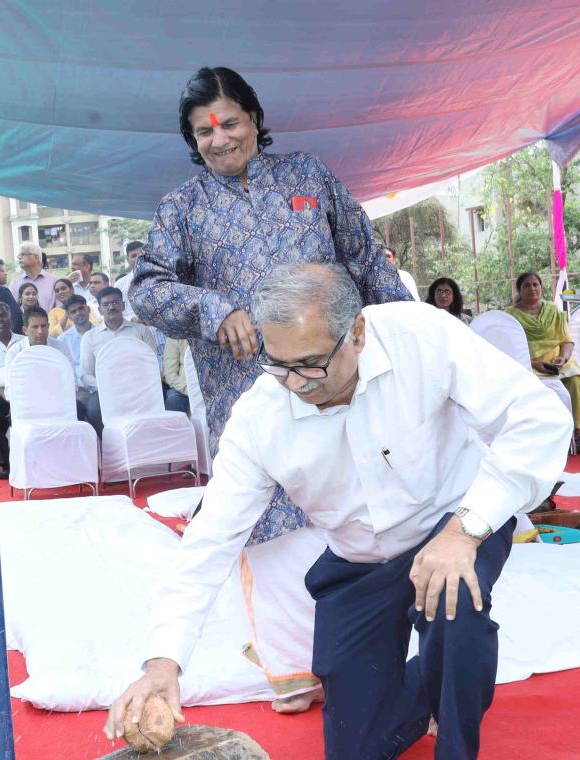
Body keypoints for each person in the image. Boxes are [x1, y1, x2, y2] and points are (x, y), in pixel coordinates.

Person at [107, 264, 571, 759]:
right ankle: (430, 685)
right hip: (359, 560)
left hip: (454, 526)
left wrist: (464, 532)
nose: (295, 384)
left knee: (454, 609)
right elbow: (209, 541)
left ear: (357, 332)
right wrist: (163, 662)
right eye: (279, 363)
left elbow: (539, 418)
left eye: (311, 363)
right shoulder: (261, 416)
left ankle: (457, 721)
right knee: (357, 747)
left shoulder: (420, 335)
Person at [130, 66, 412, 709]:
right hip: (249, 384)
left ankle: (371, 652)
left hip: (341, 374)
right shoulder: (183, 207)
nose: (219, 139)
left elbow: (366, 257)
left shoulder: (308, 177)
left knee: (359, 501)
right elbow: (147, 290)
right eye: (203, 131)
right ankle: (292, 667)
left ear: (255, 119)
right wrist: (214, 310)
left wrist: (405, 331)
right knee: (270, 520)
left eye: (230, 122)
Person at [506, 272, 580, 451]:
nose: (532, 288)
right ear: (519, 290)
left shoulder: (553, 310)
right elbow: (508, 348)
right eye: (527, 285)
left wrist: (563, 358)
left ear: (541, 287)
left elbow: (567, 340)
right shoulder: (510, 316)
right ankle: (544, 434)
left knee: (574, 378)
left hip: (557, 362)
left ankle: (577, 432)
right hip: (528, 365)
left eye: (535, 284)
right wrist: (533, 363)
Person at [78, 287, 158, 433]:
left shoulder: (141, 331)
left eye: (115, 302)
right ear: (99, 310)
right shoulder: (89, 337)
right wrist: (106, 386)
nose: (111, 307)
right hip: (105, 391)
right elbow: (86, 374)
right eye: (106, 304)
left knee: (163, 402)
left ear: (123, 305)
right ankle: (111, 442)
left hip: (139, 388)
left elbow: (152, 365)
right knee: (93, 411)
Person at [0, 301, 27, 480]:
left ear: (11, 317)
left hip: (24, 392)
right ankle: (6, 463)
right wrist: (3, 394)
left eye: (3, 315)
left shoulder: (24, 341)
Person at [54, 295, 96, 377]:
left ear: (88, 309)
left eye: (81, 308)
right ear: (68, 316)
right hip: (75, 383)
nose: (78, 313)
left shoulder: (101, 334)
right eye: (73, 311)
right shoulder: (63, 340)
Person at [13, 241, 62, 310]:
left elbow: (60, 309)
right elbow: (12, 310)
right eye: (19, 255)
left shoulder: (54, 281)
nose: (19, 257)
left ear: (36, 257)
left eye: (23, 254)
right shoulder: (15, 283)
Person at [161, 337, 192, 414]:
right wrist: (188, 390)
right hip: (183, 388)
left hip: (209, 387)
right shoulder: (174, 337)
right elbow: (170, 374)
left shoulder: (209, 334)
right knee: (173, 400)